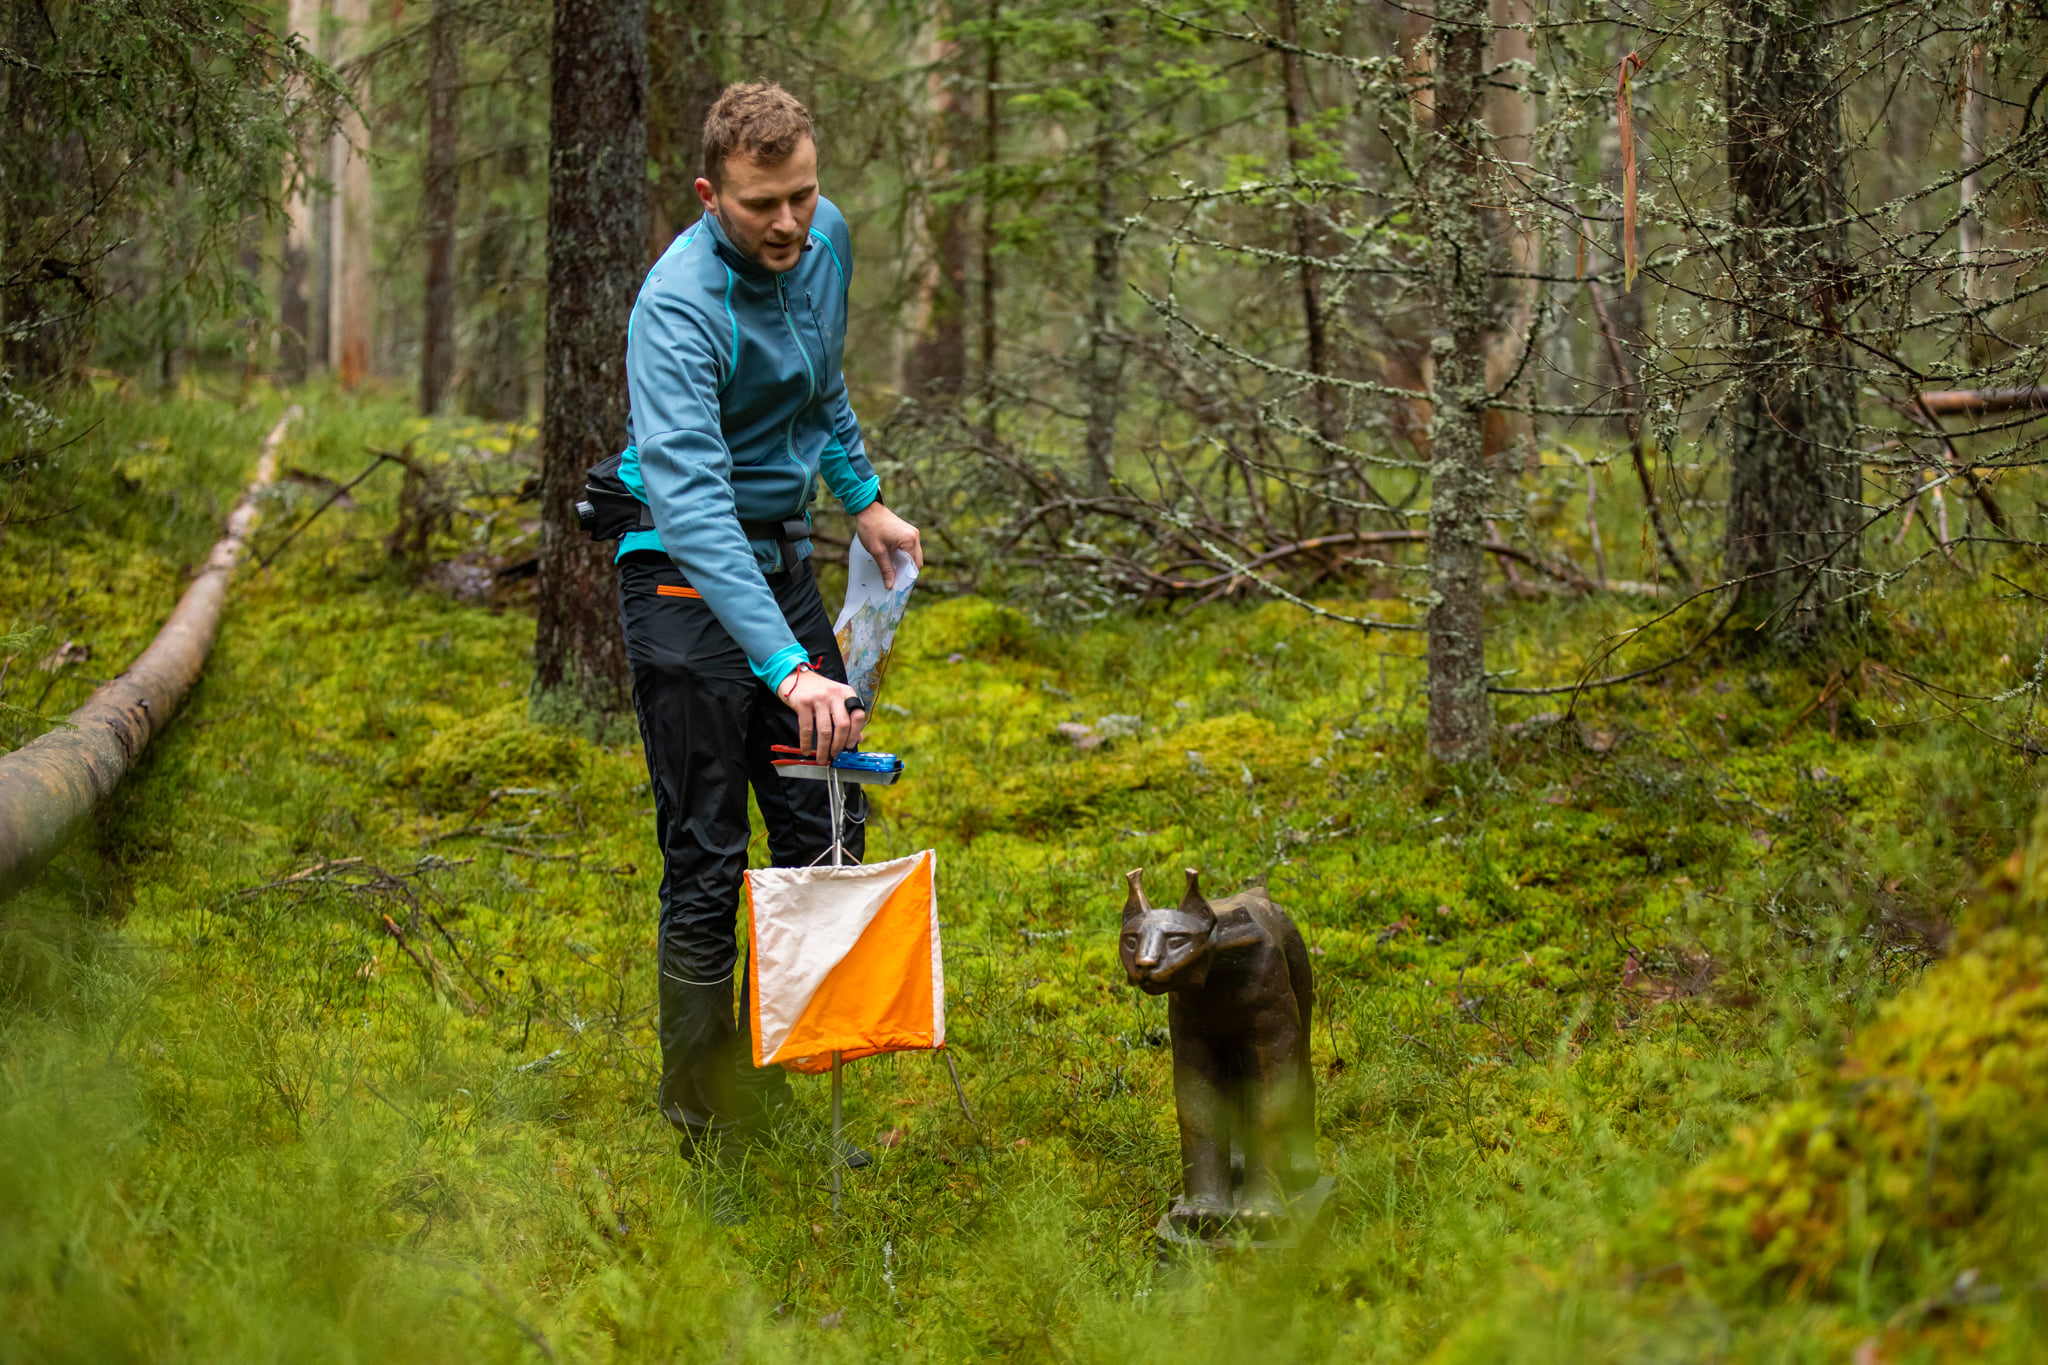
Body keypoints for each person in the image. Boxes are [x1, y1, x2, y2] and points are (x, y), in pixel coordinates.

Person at [617, 82, 925, 1155]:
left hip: (784, 564)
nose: (787, 222)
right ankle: (707, 1123)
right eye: (761, 205)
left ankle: (784, 1087)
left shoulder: (821, 242)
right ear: (711, 195)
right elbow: (693, 507)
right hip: (680, 583)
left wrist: (864, 496)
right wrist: (788, 668)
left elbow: (821, 390)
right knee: (706, 851)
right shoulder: (676, 307)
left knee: (820, 826)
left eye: (801, 194)